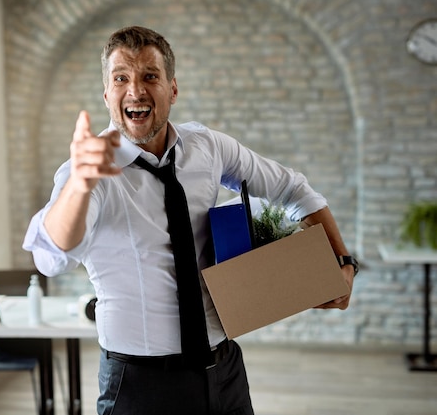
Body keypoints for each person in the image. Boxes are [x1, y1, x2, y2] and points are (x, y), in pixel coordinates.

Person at [23, 25, 356, 415]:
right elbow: (52, 257)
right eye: (121, 79)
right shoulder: (88, 173)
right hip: (140, 385)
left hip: (225, 369)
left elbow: (292, 189)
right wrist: (80, 184)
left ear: (173, 89)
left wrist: (343, 263)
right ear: (107, 94)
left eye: (150, 76)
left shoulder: (208, 148)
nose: (136, 90)